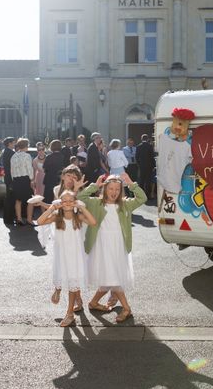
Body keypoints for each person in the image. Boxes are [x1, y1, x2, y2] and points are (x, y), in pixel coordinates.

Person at [77, 172, 147, 323]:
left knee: (110, 275)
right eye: (111, 189)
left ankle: (94, 303)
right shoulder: (96, 203)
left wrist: (131, 183)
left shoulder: (125, 204)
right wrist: (94, 186)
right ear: (104, 189)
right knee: (111, 275)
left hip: (118, 245)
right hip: (102, 245)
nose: (114, 192)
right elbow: (80, 198)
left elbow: (143, 198)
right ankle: (126, 308)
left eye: (117, 189)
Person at [36, 190, 97, 327]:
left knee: (73, 284)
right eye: (64, 201)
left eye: (71, 201)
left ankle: (69, 314)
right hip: (62, 255)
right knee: (63, 276)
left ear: (75, 202)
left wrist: (81, 207)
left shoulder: (78, 216)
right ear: (60, 203)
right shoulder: (57, 216)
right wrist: (52, 208)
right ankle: (57, 289)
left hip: (75, 256)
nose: (68, 203)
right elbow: (40, 221)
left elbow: (93, 222)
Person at [10, 138, 34, 226]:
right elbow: (29, 169)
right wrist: (32, 179)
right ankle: (29, 219)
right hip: (25, 179)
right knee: (31, 200)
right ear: (26, 146)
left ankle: (19, 219)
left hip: (16, 180)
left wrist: (14, 179)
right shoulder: (27, 156)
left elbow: (11, 170)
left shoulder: (13, 156)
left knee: (18, 200)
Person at [43, 140, 65, 204]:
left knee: (48, 198)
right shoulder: (63, 156)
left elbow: (45, 168)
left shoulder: (49, 157)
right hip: (59, 179)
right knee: (58, 197)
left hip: (49, 179)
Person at [1, 137, 16, 226]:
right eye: (14, 142)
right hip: (11, 179)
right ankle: (9, 218)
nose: (15, 144)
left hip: (8, 178)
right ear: (9, 143)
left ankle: (8, 218)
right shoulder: (10, 153)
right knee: (10, 199)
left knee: (9, 198)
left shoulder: (6, 151)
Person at [136, 133, 155, 199]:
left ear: (141, 139)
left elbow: (136, 157)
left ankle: (141, 195)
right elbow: (152, 157)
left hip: (142, 166)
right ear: (147, 139)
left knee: (141, 180)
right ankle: (148, 195)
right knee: (148, 181)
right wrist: (153, 166)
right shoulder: (150, 146)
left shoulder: (138, 146)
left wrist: (139, 164)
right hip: (149, 166)